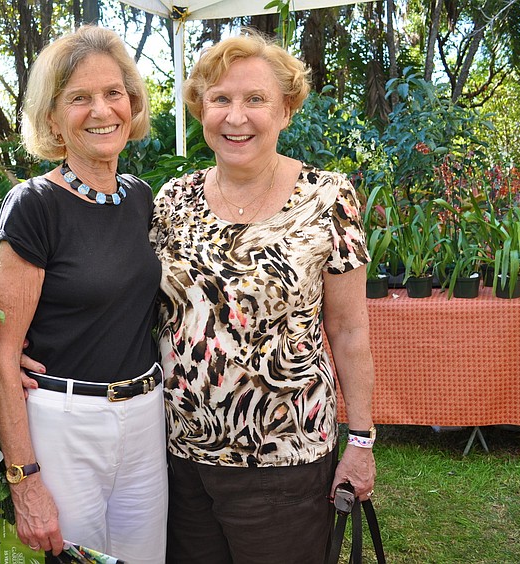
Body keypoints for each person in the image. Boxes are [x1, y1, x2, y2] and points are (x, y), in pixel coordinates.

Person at [149, 31, 377, 563]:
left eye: (255, 100)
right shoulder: (172, 200)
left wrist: (361, 442)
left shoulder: (327, 198)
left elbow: (349, 330)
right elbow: (141, 307)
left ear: (286, 111)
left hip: (285, 459)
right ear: (200, 109)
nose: (236, 117)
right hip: (179, 456)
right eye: (221, 99)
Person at [0, 25, 166, 564]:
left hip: (145, 418)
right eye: (79, 98)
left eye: (114, 93)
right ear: (52, 118)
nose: (102, 109)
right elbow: (3, 353)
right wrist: (24, 480)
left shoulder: (140, 198)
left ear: (133, 104)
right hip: (65, 424)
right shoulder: (34, 205)